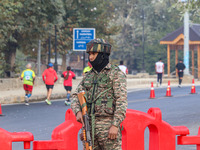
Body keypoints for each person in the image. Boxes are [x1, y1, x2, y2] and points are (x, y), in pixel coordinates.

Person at [71, 38, 127, 150]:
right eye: (89, 54)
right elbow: (75, 96)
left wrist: (115, 125)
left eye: (94, 53)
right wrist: (77, 111)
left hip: (108, 128)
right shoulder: (88, 75)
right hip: (89, 128)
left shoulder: (115, 74)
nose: (91, 57)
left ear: (102, 55)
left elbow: (121, 101)